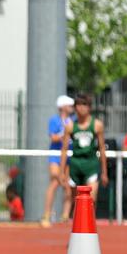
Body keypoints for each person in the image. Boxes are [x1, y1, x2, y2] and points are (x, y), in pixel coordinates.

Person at [60, 94, 109, 206]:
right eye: (79, 105)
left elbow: (102, 149)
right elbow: (64, 149)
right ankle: (77, 222)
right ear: (75, 107)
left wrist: (104, 172)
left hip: (91, 163)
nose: (81, 107)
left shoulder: (97, 125)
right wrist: (62, 172)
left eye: (84, 104)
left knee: (91, 200)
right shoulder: (70, 126)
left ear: (89, 107)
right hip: (75, 164)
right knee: (75, 201)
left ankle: (90, 223)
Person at [43, 95, 74, 224]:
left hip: (69, 155)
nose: (72, 108)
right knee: (55, 181)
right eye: (69, 105)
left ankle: (65, 216)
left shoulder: (73, 120)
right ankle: (47, 214)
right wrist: (65, 135)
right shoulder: (54, 120)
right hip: (56, 155)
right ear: (62, 107)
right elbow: (54, 137)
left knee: (68, 186)